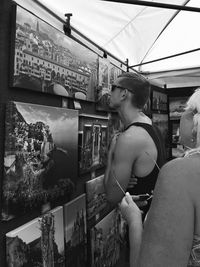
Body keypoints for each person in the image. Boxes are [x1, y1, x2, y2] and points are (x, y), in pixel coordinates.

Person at [119, 87, 200, 267]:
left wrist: (133, 220)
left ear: (196, 122)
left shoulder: (180, 173)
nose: (181, 116)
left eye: (187, 110)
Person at [104, 72, 166, 217]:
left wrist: (112, 154)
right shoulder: (150, 126)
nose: (109, 91)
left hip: (142, 227)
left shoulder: (130, 138)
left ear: (124, 94)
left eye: (113, 87)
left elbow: (112, 196)